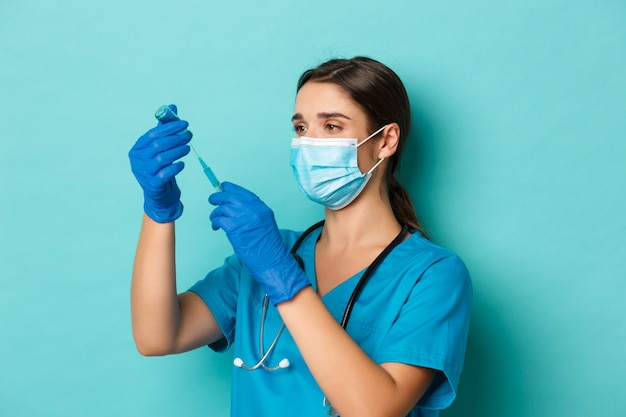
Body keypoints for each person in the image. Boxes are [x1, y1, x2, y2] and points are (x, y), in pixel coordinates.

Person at [128, 56, 472, 417]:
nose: (309, 144)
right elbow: (157, 336)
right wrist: (159, 212)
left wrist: (282, 276)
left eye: (333, 127)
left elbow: (376, 410)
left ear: (386, 140)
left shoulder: (433, 274)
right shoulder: (262, 255)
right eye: (301, 128)